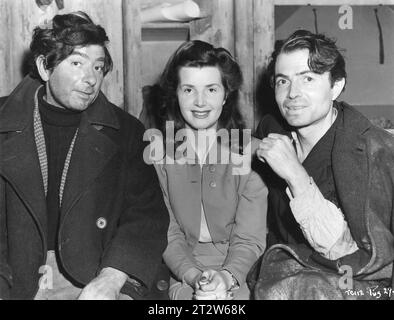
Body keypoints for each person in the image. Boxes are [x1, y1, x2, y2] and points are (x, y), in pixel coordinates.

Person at [0, 11, 169, 300]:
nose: (91, 79)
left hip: (96, 272)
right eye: (77, 63)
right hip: (12, 276)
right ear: (44, 67)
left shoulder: (127, 131)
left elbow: (147, 216)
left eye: (99, 67)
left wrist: (112, 277)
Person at [249, 29, 394, 300]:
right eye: (283, 81)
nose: (292, 94)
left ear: (336, 86)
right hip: (285, 275)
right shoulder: (272, 129)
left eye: (308, 79)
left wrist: (294, 173)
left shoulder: (375, 150)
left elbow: (347, 254)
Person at [145, 40, 268, 300]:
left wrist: (225, 278)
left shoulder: (250, 152)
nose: (200, 101)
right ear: (175, 94)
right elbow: (167, 231)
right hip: (180, 269)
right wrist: (193, 276)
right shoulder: (159, 154)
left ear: (226, 95)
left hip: (241, 271)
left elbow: (248, 238)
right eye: (188, 89)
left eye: (211, 89)